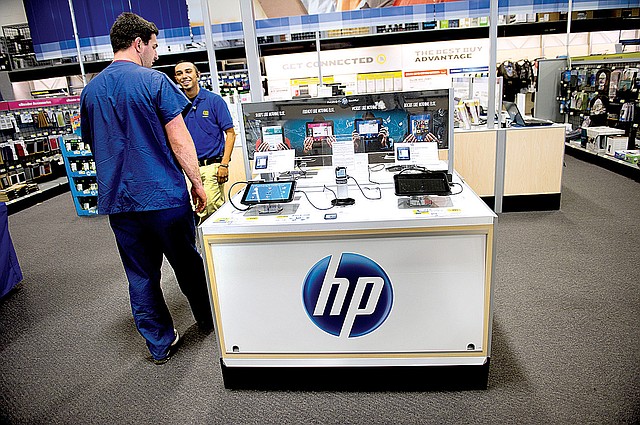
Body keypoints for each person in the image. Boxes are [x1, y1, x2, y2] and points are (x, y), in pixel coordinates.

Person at [80, 12, 213, 365]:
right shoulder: (154, 82)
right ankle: (207, 319)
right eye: (154, 47)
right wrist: (198, 183)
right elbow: (180, 140)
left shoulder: (90, 91)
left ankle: (159, 343)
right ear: (138, 43)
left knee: (140, 274)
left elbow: (94, 144)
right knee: (186, 261)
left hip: (120, 201)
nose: (156, 54)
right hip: (164, 197)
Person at [174, 61, 236, 223]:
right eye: (179, 73)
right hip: (187, 170)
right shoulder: (176, 105)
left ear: (197, 75)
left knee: (211, 211)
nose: (184, 76)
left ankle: (219, 247)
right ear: (176, 78)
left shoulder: (214, 101)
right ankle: (203, 247)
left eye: (188, 72)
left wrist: (224, 164)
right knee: (194, 212)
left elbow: (230, 134)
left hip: (211, 168)